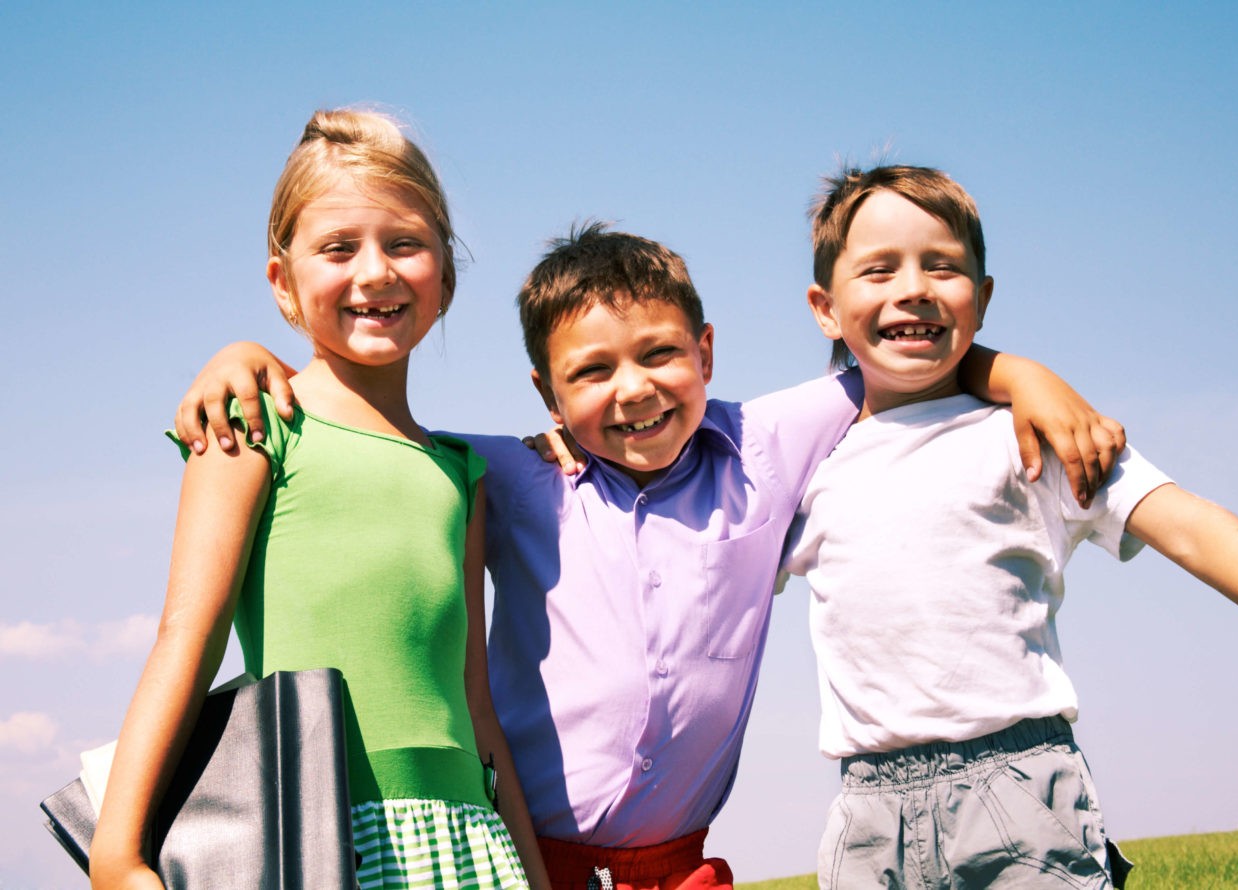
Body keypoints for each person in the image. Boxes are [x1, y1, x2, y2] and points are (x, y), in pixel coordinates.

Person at [172, 222, 1124, 889]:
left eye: (661, 355)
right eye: (591, 372)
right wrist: (248, 358)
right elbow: (374, 438)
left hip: (682, 862)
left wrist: (1020, 373)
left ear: (706, 352)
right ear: (547, 395)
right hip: (528, 855)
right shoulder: (501, 476)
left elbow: (897, 358)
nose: (633, 390)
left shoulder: (765, 443)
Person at [784, 164, 1238, 889]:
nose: (913, 288)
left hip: (1018, 790)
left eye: (942, 266)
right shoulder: (803, 464)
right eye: (879, 270)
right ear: (824, 308)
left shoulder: (1034, 435)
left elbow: (1188, 525)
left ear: (983, 298)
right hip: (868, 815)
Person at [88, 109, 549, 890]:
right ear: (283, 281)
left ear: (446, 273)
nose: (375, 272)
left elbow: (478, 707)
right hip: (319, 837)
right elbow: (186, 636)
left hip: (469, 844)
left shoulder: (460, 475)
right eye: (338, 248)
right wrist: (118, 852)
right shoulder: (251, 424)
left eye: (404, 244)